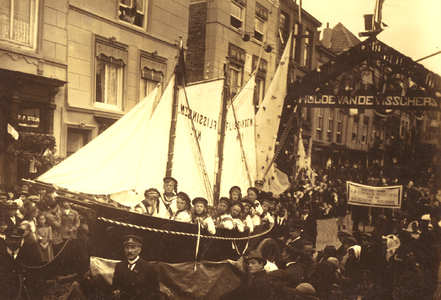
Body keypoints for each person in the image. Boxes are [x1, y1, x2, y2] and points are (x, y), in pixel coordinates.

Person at [111, 235, 161, 299]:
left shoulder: (148, 267)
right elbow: (115, 286)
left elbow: (155, 293)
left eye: (133, 247)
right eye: (127, 248)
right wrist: (115, 291)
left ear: (139, 249)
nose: (129, 251)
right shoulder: (119, 266)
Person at [0, 227, 43, 299]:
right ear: (6, 240)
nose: (14, 242)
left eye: (17, 239)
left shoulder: (31, 256)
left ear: (21, 240)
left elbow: (38, 278)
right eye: (11, 239)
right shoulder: (1, 255)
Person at [58, 198, 81, 274]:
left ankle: (70, 269)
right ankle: (64, 270)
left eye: (67, 202)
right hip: (63, 233)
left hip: (72, 234)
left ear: (70, 203)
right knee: (64, 252)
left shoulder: (75, 212)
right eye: (64, 202)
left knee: (72, 252)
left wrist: (74, 228)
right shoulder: (60, 212)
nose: (65, 204)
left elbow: (77, 222)